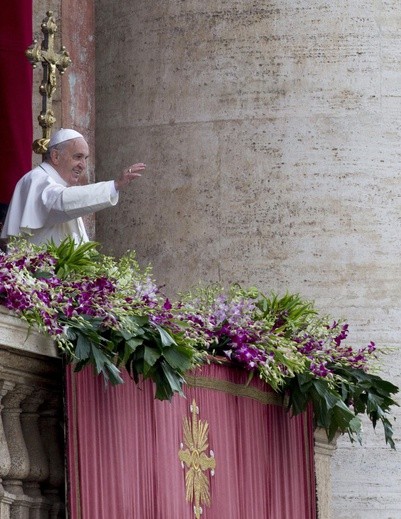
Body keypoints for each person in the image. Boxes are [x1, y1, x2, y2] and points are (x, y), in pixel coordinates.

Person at [1, 129, 146, 246]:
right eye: (78, 157)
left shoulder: (56, 184)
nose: (83, 165)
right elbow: (60, 202)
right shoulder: (36, 179)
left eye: (85, 158)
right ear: (55, 156)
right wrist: (114, 185)